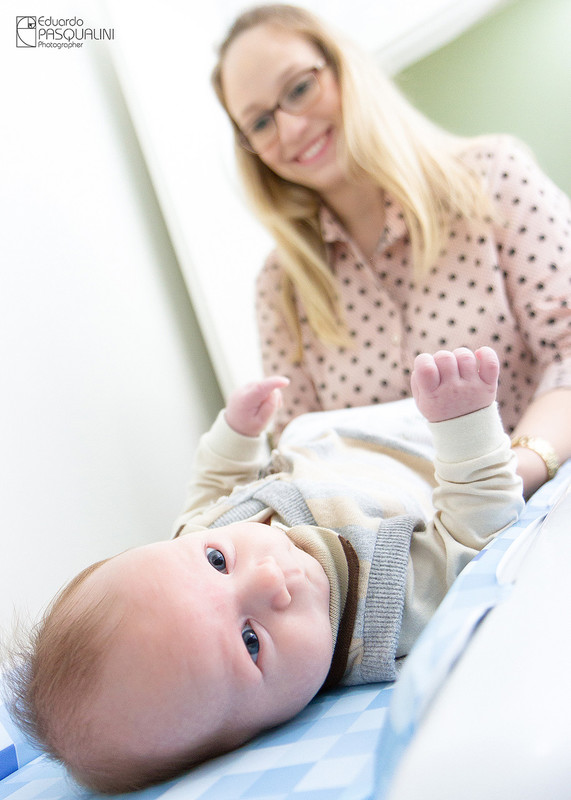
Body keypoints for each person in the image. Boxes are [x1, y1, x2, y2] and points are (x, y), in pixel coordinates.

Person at [5, 347, 524, 794]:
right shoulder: (386, 608)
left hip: (324, 431)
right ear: (249, 736)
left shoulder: (197, 535)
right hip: (421, 441)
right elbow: (477, 529)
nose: (269, 580)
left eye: (218, 562)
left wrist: (235, 433)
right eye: (251, 641)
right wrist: (464, 424)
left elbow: (210, 487)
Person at [211, 3, 571, 498]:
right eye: (259, 123)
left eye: (299, 88)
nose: (291, 129)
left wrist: (512, 471)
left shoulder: (493, 176)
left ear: (343, 68)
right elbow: (305, 460)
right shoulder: (281, 290)